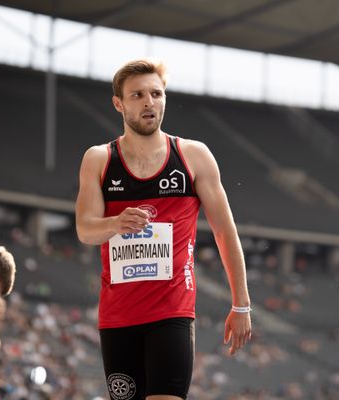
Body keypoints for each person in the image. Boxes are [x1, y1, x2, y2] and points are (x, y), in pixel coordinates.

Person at [76, 58, 252, 400]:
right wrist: (115, 222)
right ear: (118, 103)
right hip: (118, 316)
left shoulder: (193, 156)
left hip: (171, 312)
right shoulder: (99, 159)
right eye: (137, 95)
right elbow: (85, 229)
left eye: (156, 93)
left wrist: (241, 304)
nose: (149, 102)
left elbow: (225, 231)